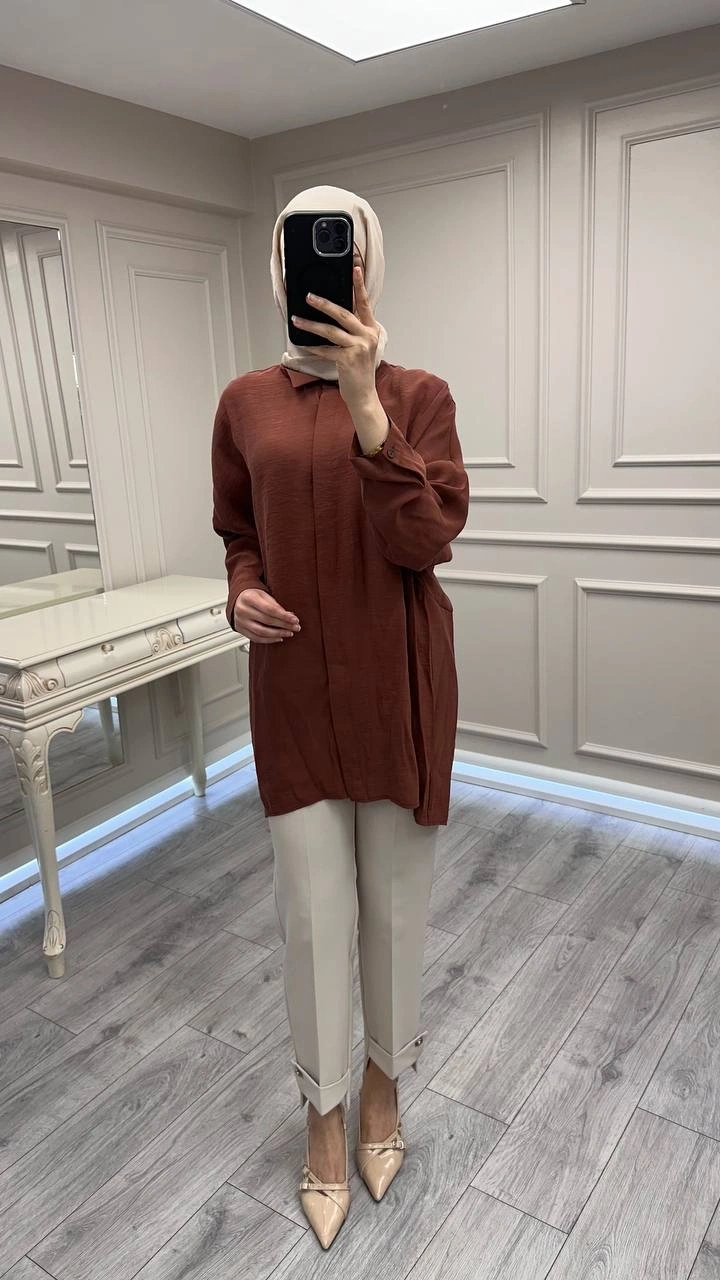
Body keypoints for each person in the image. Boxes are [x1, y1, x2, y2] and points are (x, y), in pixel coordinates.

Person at [211, 185, 469, 1249]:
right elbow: (238, 530)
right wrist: (240, 591)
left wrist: (368, 404)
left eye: (343, 250)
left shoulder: (420, 395)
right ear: (282, 270)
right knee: (313, 917)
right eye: (307, 251)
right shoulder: (244, 403)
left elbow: (427, 539)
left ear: (370, 265)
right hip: (293, 694)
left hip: (397, 688)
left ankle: (382, 1085)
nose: (325, 269)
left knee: (394, 909)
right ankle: (322, 1113)